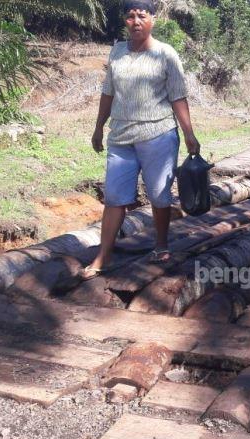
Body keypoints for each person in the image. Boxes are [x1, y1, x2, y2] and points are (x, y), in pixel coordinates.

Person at [82, 0, 201, 280]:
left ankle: (160, 245)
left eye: (142, 16)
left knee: (159, 194)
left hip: (157, 135)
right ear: (125, 21)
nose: (135, 21)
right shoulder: (117, 52)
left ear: (153, 20)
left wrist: (189, 134)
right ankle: (104, 256)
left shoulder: (166, 54)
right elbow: (108, 92)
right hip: (121, 136)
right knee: (114, 196)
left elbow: (177, 96)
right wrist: (99, 127)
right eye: (130, 16)